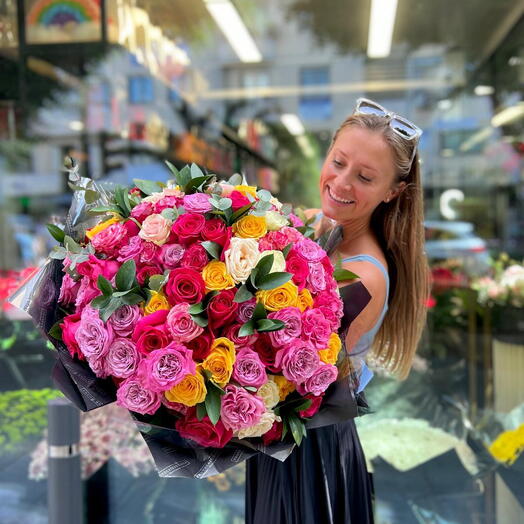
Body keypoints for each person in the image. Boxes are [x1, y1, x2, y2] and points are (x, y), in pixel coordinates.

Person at [245, 98, 430, 524]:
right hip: (277, 444)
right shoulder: (314, 226)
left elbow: (294, 377)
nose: (342, 183)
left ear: (393, 192)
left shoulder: (364, 277)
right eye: (339, 162)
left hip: (311, 456)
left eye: (365, 177)